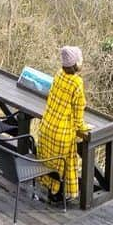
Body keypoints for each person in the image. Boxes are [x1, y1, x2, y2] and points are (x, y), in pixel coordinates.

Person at [38, 45, 90, 203]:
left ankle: (51, 192)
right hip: (62, 131)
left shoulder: (58, 75)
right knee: (64, 164)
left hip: (46, 125)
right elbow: (78, 109)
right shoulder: (76, 82)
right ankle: (58, 195)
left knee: (49, 160)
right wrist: (83, 128)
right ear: (76, 64)